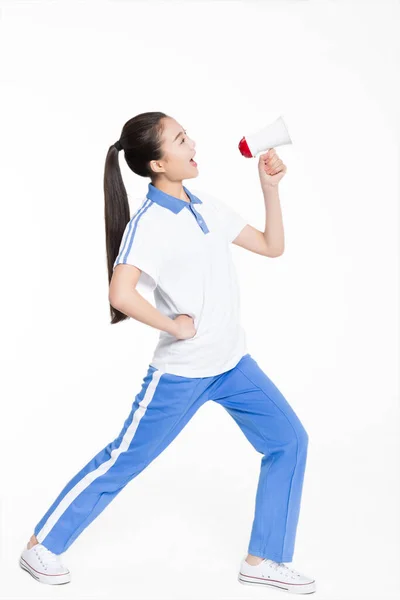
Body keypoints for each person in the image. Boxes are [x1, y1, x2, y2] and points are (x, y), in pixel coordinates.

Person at [19, 112, 316, 594]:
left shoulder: (205, 206)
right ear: (158, 162)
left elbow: (270, 246)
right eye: (181, 139)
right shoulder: (149, 223)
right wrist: (171, 324)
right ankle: (42, 545)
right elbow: (121, 292)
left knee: (289, 442)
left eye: (187, 134)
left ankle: (264, 559)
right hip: (181, 374)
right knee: (124, 458)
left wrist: (270, 189)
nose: (193, 141)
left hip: (233, 365)